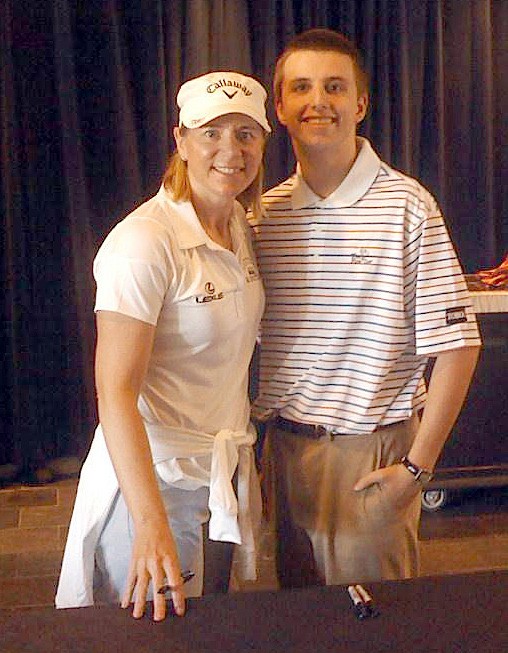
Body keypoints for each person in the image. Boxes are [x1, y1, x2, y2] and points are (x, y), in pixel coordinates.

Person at [250, 29, 481, 588]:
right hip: (282, 452)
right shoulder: (264, 215)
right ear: (279, 107)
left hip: (372, 455)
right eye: (301, 88)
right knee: (296, 620)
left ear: (360, 103)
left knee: (373, 627)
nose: (318, 101)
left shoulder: (408, 206)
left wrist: (415, 470)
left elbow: (457, 347)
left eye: (334, 86)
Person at [56, 71, 271, 621]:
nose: (230, 150)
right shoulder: (144, 243)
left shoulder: (239, 228)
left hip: (215, 480)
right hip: (154, 488)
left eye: (246, 134)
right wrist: (149, 523)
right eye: (211, 133)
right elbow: (115, 392)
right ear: (180, 140)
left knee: (207, 627)